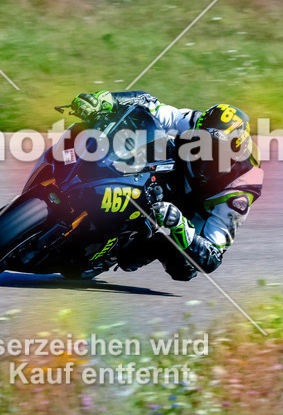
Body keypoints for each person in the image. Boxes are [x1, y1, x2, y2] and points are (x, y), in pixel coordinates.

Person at [68, 90, 263, 281]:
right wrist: (107, 99)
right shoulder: (195, 123)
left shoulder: (238, 193)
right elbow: (150, 104)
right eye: (201, 143)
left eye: (215, 151)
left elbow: (212, 258)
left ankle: (118, 252)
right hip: (174, 172)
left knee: (183, 268)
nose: (205, 155)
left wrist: (180, 225)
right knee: (140, 142)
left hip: (196, 211)